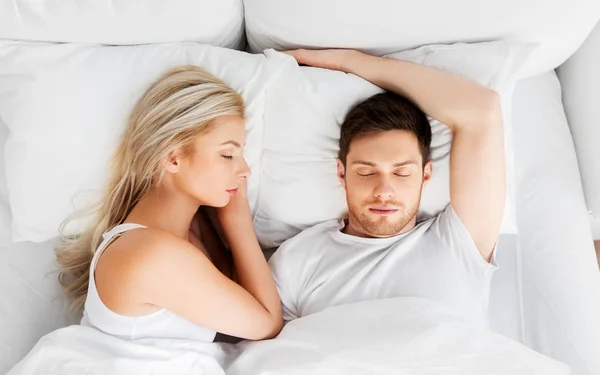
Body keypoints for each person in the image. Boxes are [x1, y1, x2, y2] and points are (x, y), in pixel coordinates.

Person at [269, 49, 505, 327]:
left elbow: (482, 109)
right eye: (367, 172)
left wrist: (347, 61)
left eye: (402, 172)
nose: (384, 190)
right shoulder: (298, 258)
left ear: (425, 175)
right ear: (342, 174)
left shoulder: (460, 242)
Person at [56, 66, 283, 343]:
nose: (245, 170)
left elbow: (237, 289)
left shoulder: (188, 233)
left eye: (241, 153)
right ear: (173, 158)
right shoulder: (152, 254)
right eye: (227, 154)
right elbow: (267, 323)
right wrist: (237, 219)